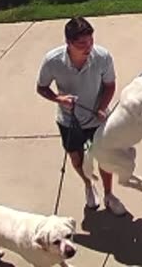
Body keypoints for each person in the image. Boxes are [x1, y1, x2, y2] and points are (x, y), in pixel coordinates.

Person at [35, 16, 126, 215]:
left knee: (104, 157)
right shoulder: (52, 60)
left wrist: (102, 107)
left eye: (91, 41)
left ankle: (109, 194)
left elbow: (110, 85)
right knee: (77, 159)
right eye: (82, 43)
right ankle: (88, 184)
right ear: (68, 43)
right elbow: (41, 88)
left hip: (97, 117)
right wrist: (59, 99)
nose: (88, 47)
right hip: (69, 120)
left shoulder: (102, 57)